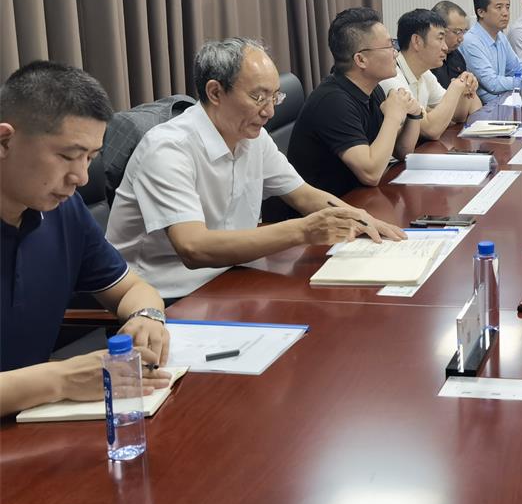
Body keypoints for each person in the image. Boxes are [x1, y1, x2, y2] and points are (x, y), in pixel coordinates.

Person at [106, 38, 404, 302]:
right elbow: (193, 248)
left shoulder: (253, 137)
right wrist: (303, 230)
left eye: (275, 97)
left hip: (232, 276)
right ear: (215, 92)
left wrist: (361, 219)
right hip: (166, 295)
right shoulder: (168, 148)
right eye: (258, 97)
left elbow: (304, 196)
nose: (270, 111)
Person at [1, 62, 172, 416]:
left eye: (90, 158)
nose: (81, 177)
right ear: (5, 141)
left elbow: (131, 288)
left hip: (34, 419)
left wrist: (147, 316)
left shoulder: (64, 210)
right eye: (68, 156)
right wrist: (61, 379)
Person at [288, 7, 423, 194]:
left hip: (358, 197)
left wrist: (414, 115)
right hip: (324, 207)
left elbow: (401, 152)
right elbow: (371, 174)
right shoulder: (332, 102)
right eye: (389, 46)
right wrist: (393, 116)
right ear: (360, 60)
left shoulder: (373, 89)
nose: (396, 53)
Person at [382, 9, 482, 140]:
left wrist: (465, 87)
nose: (445, 47)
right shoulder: (392, 77)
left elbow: (457, 115)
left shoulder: (425, 73)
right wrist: (455, 88)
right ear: (417, 41)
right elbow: (431, 130)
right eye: (440, 39)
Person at [431, 0, 470, 90]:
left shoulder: (456, 55)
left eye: (464, 31)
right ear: (440, 29)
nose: (461, 39)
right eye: (457, 32)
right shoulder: (428, 60)